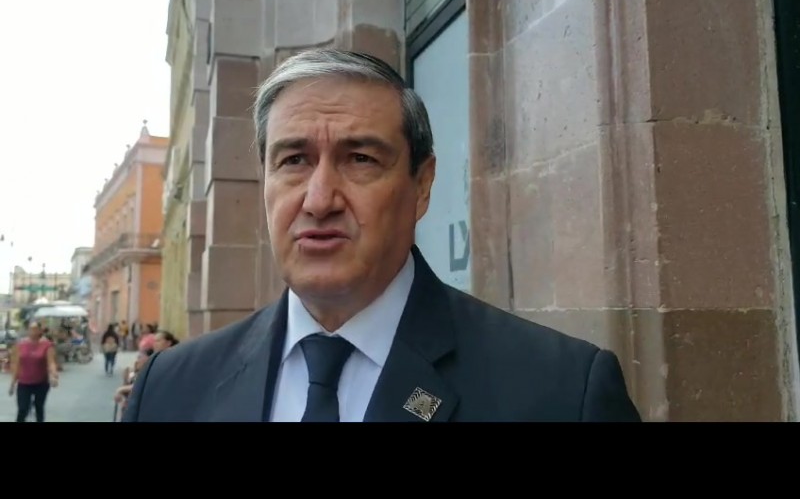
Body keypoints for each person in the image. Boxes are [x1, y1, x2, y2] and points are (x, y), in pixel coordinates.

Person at [123, 49, 641, 422]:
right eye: (294, 160)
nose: (319, 199)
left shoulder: (562, 391)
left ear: (422, 185)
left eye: (361, 159)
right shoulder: (168, 388)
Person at [8, 321, 59, 422]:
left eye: (35, 329)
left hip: (41, 383)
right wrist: (12, 384)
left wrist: (54, 375)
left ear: (40, 330)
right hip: (24, 383)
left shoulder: (47, 345)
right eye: (31, 329)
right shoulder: (20, 345)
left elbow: (51, 362)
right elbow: (16, 365)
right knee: (22, 409)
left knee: (39, 408)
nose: (33, 331)